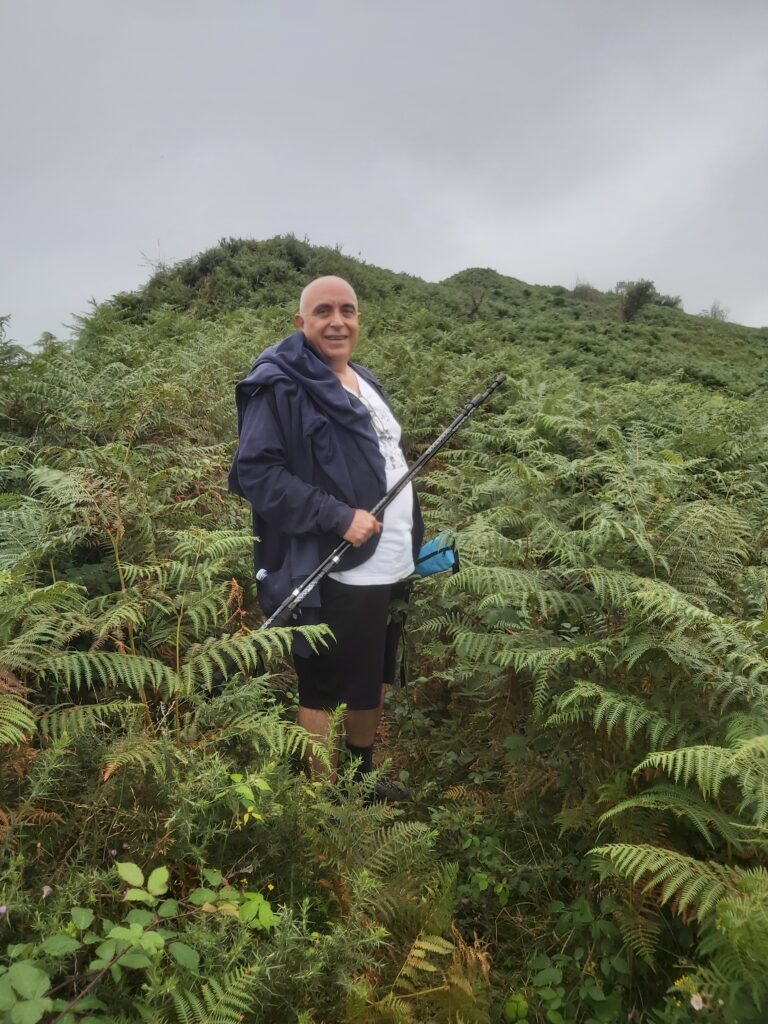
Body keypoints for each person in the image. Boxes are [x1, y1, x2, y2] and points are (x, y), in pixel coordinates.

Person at [229, 276, 423, 797]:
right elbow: (258, 474)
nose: (337, 321)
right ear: (301, 322)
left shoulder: (365, 380)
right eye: (323, 312)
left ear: (359, 319)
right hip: (333, 562)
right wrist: (338, 517)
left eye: (347, 310)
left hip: (389, 559)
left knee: (371, 676)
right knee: (323, 687)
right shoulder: (280, 384)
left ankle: (361, 779)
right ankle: (320, 802)